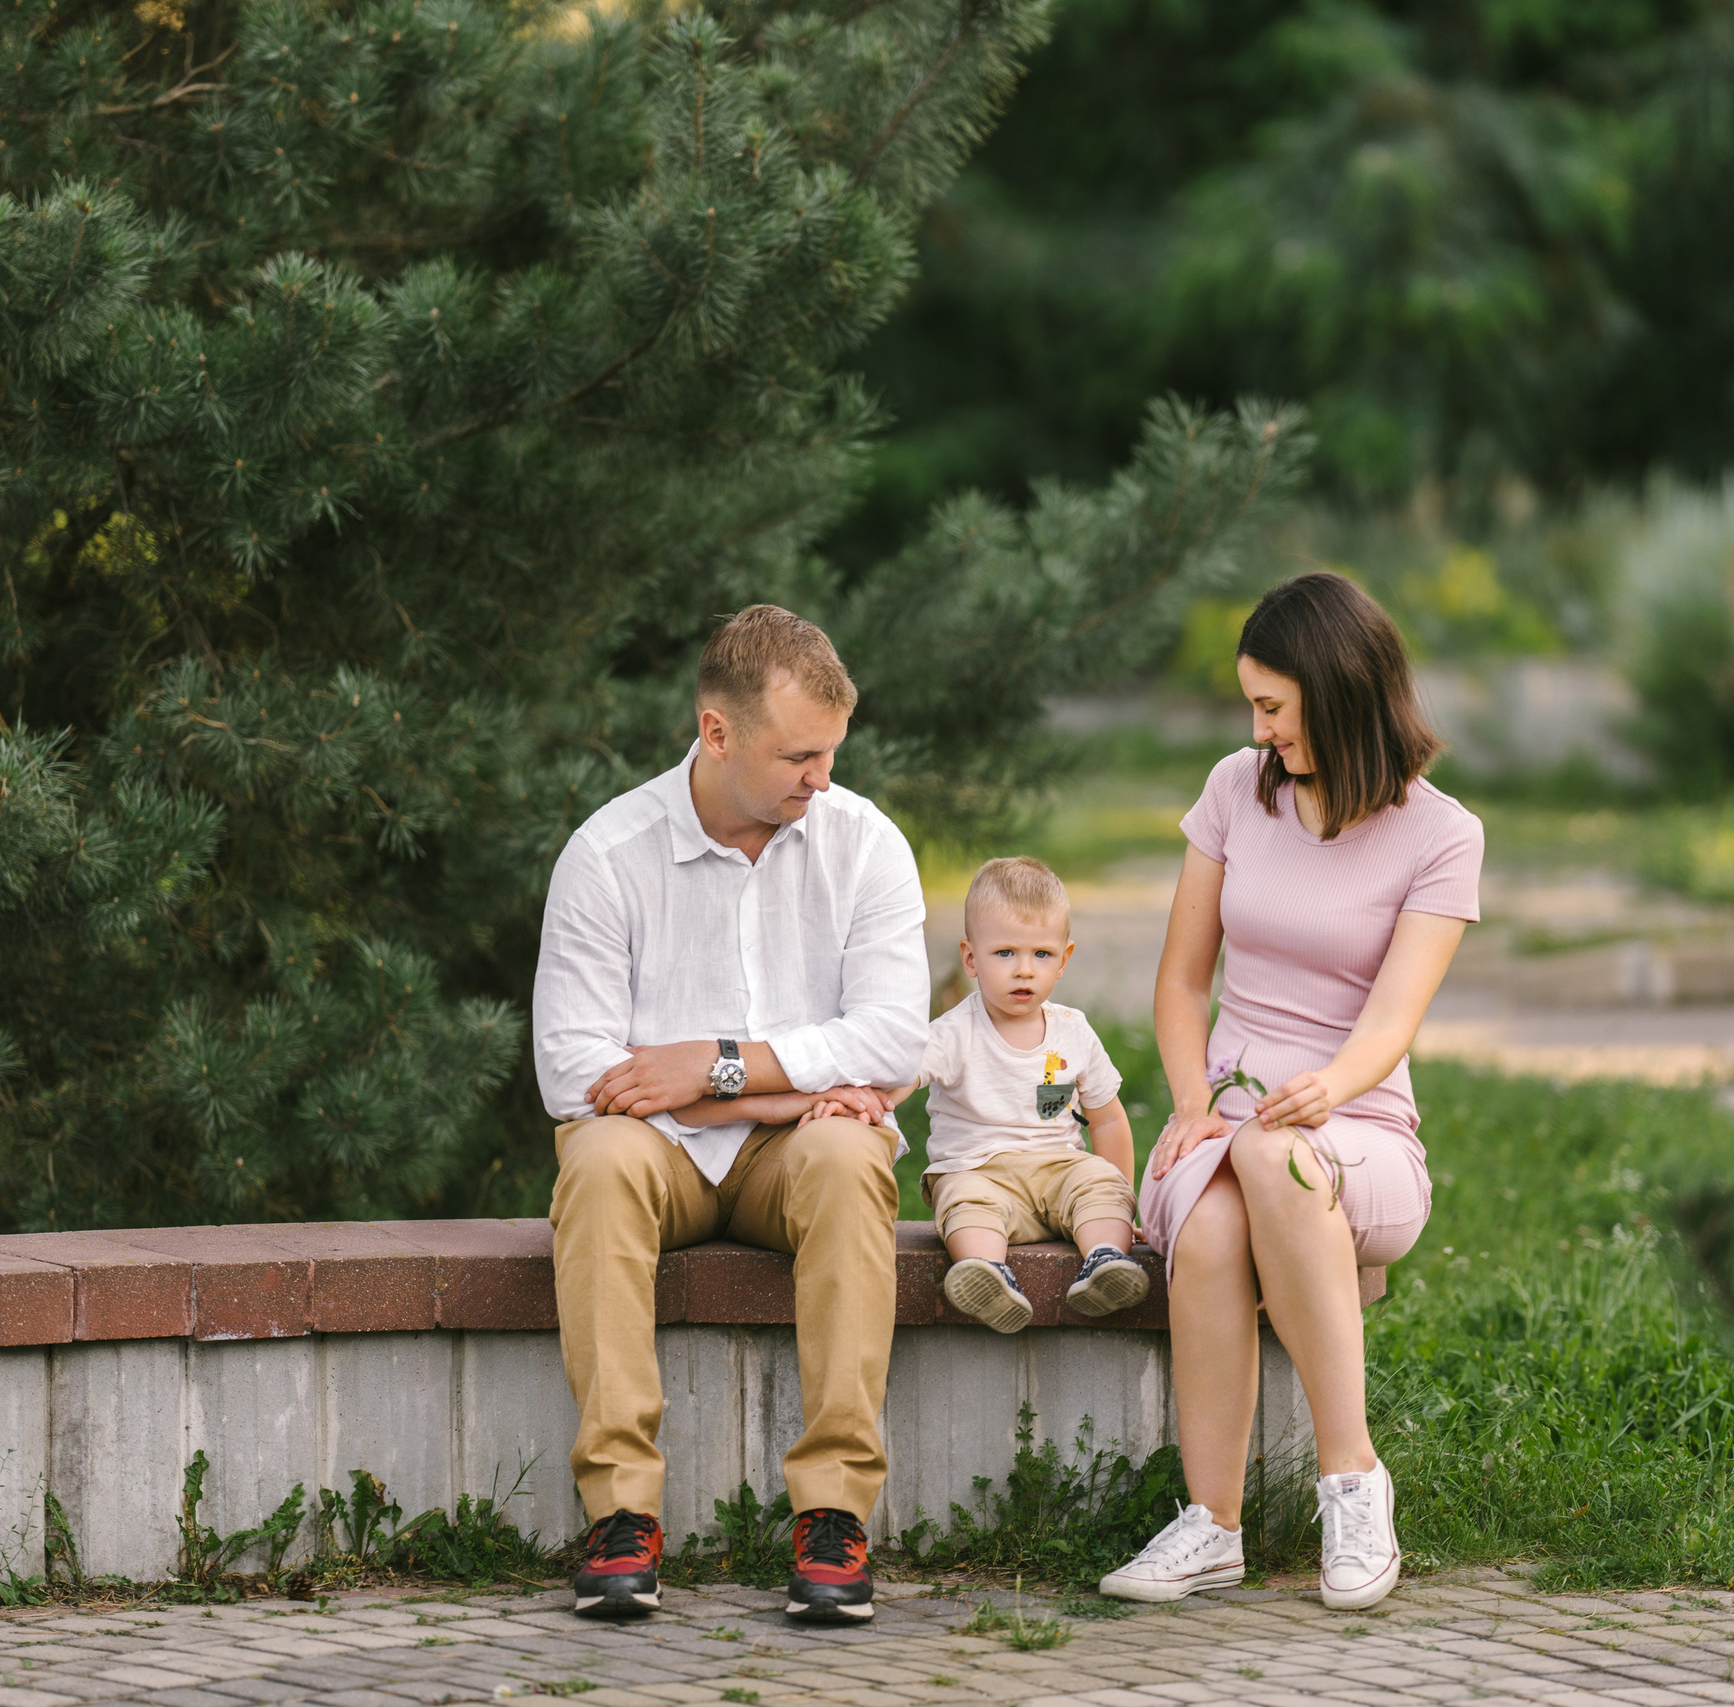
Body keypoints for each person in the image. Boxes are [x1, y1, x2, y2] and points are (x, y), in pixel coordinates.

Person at [531, 605, 928, 1625]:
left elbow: (896, 1041)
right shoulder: (607, 853)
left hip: (794, 1150)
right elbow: (572, 1071)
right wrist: (789, 1082)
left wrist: (717, 1073)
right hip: (652, 1154)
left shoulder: (865, 843)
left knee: (849, 1156)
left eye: (831, 752)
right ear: (716, 733)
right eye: (799, 756)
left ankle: (834, 1516)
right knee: (598, 1159)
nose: (822, 779)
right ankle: (621, 1516)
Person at [1096, 571, 1482, 1612]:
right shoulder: (1237, 789)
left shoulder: (1443, 834)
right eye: (1252, 708)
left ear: (1338, 686)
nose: (1259, 731)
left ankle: (1353, 1482)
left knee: (1279, 1156)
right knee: (1216, 1222)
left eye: (1273, 705)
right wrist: (1190, 1101)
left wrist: (1327, 1089)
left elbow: (1391, 1024)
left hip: (1358, 1130)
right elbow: (1182, 982)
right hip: (1221, 1121)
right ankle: (1211, 1524)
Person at [814, 857, 1147, 1332]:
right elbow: (902, 1076)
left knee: (1098, 1185)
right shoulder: (955, 1032)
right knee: (964, 1200)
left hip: (1059, 1170)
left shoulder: (1073, 1031)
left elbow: (1108, 1119)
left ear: (1064, 959)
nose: (1024, 971)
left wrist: (1121, 1198)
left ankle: (1106, 1259)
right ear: (971, 959)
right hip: (978, 1170)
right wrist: (861, 1098)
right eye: (1005, 953)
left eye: (1042, 955)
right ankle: (987, 1273)